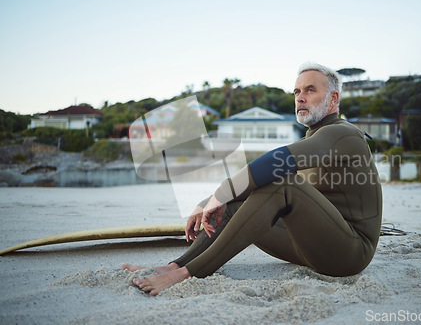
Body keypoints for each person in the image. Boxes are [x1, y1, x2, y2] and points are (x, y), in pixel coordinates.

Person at [122, 62, 382, 296]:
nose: (300, 98)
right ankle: (175, 265)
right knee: (232, 207)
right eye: (296, 92)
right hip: (313, 246)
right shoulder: (314, 138)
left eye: (310, 90)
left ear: (333, 98)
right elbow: (261, 182)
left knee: (281, 183)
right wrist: (208, 202)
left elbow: (274, 163)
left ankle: (186, 274)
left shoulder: (343, 134)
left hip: (350, 253)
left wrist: (221, 191)